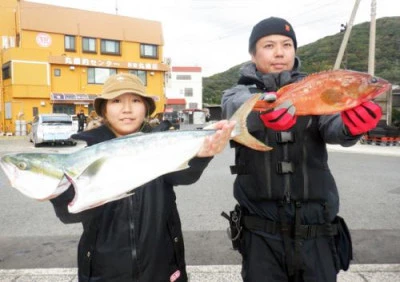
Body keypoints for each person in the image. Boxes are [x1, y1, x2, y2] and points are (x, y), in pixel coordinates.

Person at [221, 17, 382, 282]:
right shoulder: (236, 93)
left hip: (317, 231)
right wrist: (262, 110)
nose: (280, 52)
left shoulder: (316, 89)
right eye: (269, 45)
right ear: (253, 53)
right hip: (261, 235)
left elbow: (333, 126)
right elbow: (234, 110)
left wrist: (351, 127)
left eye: (287, 44)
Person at [50, 73, 235, 282]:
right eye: (116, 101)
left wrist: (202, 154)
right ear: (104, 109)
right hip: (103, 271)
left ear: (146, 107)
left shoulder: (161, 141)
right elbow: (70, 215)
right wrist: (56, 191)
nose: (126, 109)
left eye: (135, 101)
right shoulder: (87, 151)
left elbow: (184, 176)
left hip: (162, 266)